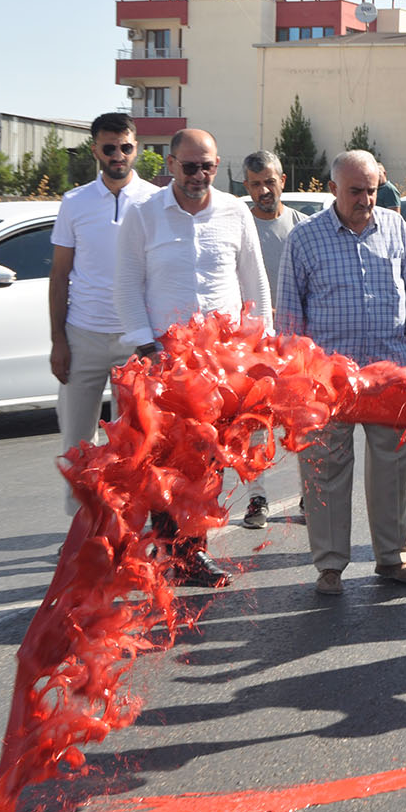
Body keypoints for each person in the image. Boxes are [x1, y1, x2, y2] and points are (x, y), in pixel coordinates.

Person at [114, 128, 272, 588]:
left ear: (217, 166)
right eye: (189, 167)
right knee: (165, 460)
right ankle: (171, 551)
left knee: (209, 459)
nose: (198, 175)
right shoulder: (143, 215)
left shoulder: (235, 211)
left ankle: (191, 552)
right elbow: (126, 284)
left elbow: (255, 282)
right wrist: (147, 349)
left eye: (207, 167)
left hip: (222, 365)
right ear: (170, 165)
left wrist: (260, 345)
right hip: (164, 362)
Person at [276, 150, 406, 596]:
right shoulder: (306, 239)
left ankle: (393, 558)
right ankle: (329, 565)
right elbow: (289, 315)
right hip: (327, 381)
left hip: (388, 373)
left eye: (372, 190)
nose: (365, 200)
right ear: (333, 190)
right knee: (325, 471)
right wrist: (295, 378)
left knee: (392, 469)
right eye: (355, 191)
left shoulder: (396, 228)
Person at [49, 112, 157, 514]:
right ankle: (83, 528)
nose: (118, 155)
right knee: (77, 444)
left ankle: (126, 528)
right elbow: (60, 275)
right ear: (95, 149)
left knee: (133, 445)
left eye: (125, 147)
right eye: (109, 148)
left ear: (136, 149)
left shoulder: (154, 201)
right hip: (83, 336)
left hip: (136, 340)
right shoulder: (74, 202)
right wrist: (58, 341)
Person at [238, 149, 307, 528]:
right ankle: (257, 499)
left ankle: (309, 495)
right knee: (254, 425)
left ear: (282, 180)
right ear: (246, 186)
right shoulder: (239, 225)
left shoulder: (302, 227)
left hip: (297, 345)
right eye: (255, 184)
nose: (263, 190)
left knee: (302, 423)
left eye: (269, 182)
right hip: (252, 348)